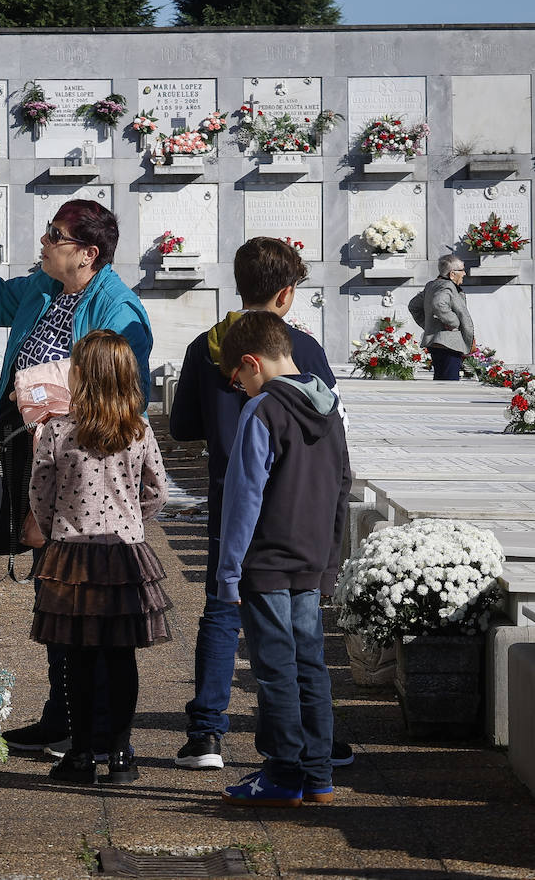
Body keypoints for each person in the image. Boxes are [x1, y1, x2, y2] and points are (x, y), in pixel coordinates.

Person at [0, 198, 154, 757]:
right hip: (30, 452)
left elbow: (125, 397)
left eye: (55, 235)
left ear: (87, 253)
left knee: (75, 602)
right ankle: (62, 713)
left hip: (80, 470)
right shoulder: (41, 286)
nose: (43, 242)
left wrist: (44, 397)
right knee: (49, 588)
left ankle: (90, 728)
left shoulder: (116, 308)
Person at [168, 237, 351, 771]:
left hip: (234, 498)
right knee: (299, 637)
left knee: (223, 611)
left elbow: (180, 427)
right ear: (287, 294)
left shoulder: (206, 345)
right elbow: (326, 426)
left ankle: (207, 733)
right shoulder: (304, 350)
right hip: (300, 511)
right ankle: (317, 743)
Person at [214, 312, 352, 807]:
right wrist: (330, 562)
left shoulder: (263, 411)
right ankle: (317, 775)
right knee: (310, 665)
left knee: (274, 669)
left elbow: (244, 498)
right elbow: (342, 489)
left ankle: (281, 774)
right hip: (312, 559)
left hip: (267, 560)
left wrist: (228, 571)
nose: (241, 391)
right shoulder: (331, 408)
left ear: (252, 363)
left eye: (238, 380)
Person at [28, 330, 171, 784]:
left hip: (71, 554)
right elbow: (158, 490)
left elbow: (40, 492)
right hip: (126, 552)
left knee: (77, 657)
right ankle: (121, 752)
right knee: (120, 654)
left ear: (81, 376)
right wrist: (134, 520)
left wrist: (56, 528)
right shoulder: (139, 428)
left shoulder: (57, 429)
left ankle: (83, 753)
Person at [408, 255, 474, 381]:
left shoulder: (432, 285)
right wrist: (454, 322)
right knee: (450, 385)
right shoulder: (447, 286)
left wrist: (430, 325)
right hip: (449, 344)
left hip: (438, 344)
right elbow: (439, 304)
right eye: (462, 270)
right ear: (452, 274)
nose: (465, 273)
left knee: (441, 383)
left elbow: (413, 306)